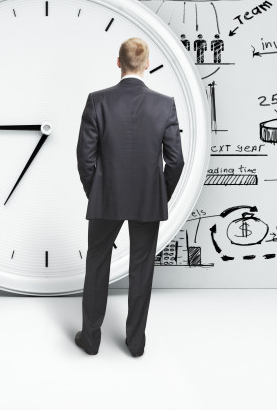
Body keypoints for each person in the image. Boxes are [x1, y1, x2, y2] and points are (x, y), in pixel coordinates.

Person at [74, 37, 185, 357]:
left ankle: (91, 338)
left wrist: (95, 192)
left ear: (118, 62)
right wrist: (159, 194)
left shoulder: (98, 101)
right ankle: (136, 342)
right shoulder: (165, 105)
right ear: (147, 64)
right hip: (147, 200)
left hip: (105, 197)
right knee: (141, 268)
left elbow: (85, 158)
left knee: (96, 264)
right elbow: (175, 161)